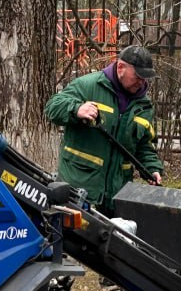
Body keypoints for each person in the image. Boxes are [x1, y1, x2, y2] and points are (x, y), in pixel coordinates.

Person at [44, 44, 164, 213]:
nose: (141, 82)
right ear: (121, 67)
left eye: (145, 78)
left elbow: (144, 144)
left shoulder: (144, 105)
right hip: (79, 189)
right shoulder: (87, 86)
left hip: (117, 194)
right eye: (137, 76)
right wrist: (76, 109)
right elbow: (52, 108)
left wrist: (152, 168)